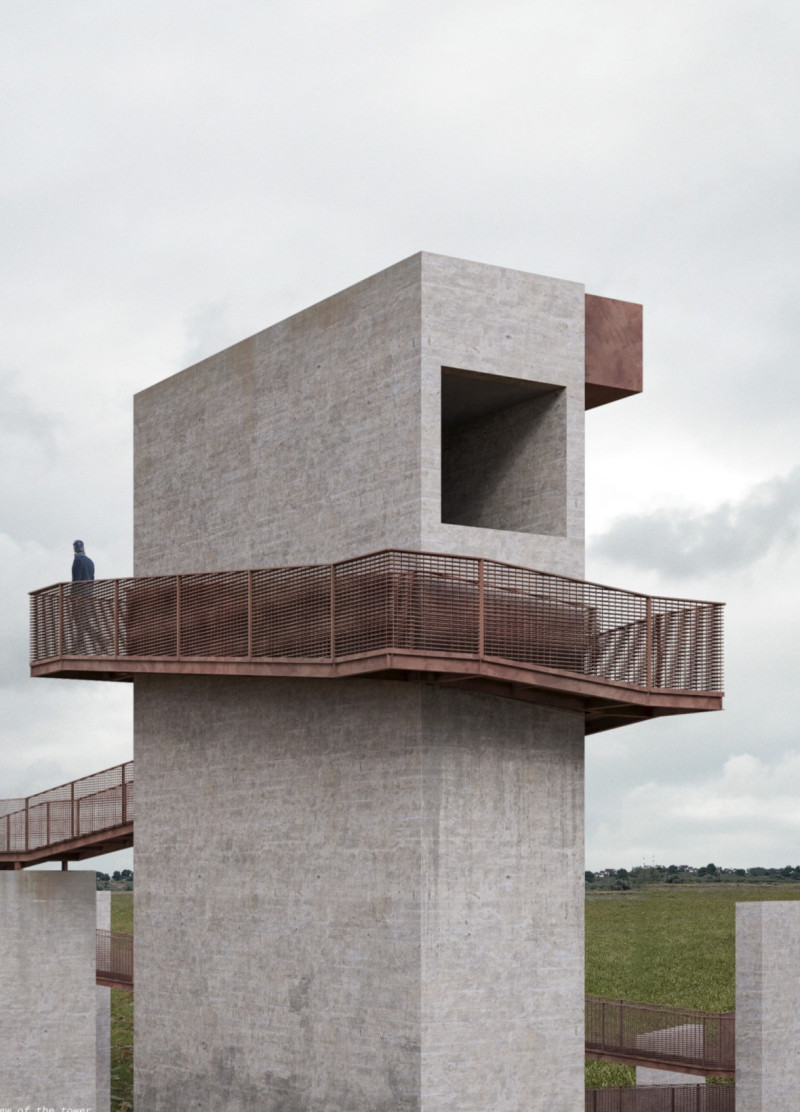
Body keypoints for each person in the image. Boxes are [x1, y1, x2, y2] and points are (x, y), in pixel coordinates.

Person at [70, 540, 96, 652]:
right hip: (89, 596)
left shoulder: (77, 561)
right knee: (84, 622)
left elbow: (76, 580)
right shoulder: (90, 561)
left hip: (80, 597)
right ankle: (78, 647)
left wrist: (72, 596)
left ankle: (78, 648)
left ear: (75, 548)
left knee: (79, 621)